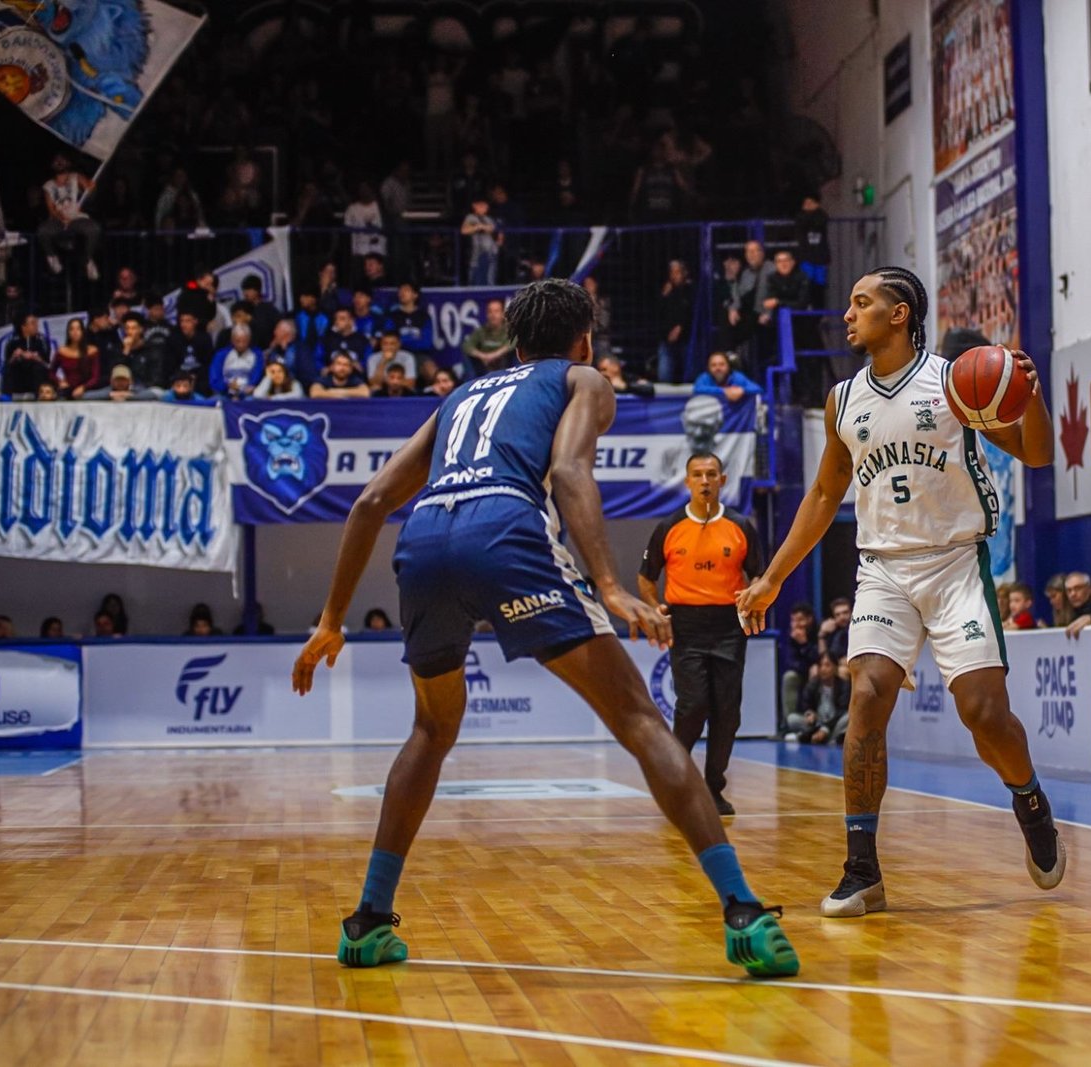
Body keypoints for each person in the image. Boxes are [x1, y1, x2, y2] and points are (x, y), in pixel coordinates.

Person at [291, 278, 797, 977]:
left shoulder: (462, 394)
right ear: (584, 339)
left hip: (425, 538)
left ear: (515, 344)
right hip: (505, 528)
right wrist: (611, 584)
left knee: (431, 730)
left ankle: (369, 920)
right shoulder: (582, 376)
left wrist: (330, 620)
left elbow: (373, 501)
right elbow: (566, 469)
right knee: (641, 721)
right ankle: (742, 907)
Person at [736, 266, 1066, 917]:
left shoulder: (954, 382)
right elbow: (827, 493)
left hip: (954, 563)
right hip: (883, 568)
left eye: (862, 302)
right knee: (866, 694)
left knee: (983, 713)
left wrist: (1028, 393)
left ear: (900, 314)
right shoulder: (840, 400)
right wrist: (772, 575)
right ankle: (862, 869)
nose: (848, 313)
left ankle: (1030, 799)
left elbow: (1037, 454)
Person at [637, 453, 763, 817]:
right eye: (697, 475)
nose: (705, 481)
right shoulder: (669, 526)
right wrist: (654, 606)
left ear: (722, 480)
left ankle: (713, 788)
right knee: (692, 707)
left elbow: (759, 574)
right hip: (685, 626)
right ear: (687, 481)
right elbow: (646, 578)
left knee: (727, 712)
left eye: (711, 474)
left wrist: (752, 595)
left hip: (728, 626)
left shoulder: (740, 526)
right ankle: (677, 783)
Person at [37, 154, 101, 281]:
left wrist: (92, 187)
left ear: (68, 163)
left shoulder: (76, 177)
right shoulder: (48, 186)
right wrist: (60, 217)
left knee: (94, 229)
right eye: (57, 161)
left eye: (62, 160)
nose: (59, 162)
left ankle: (88, 261)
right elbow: (50, 209)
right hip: (59, 220)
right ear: (52, 165)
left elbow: (90, 189)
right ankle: (52, 257)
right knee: (43, 231)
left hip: (77, 218)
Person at [789, 653, 851, 744]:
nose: (823, 669)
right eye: (820, 665)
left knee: (848, 717)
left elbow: (842, 711)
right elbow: (806, 705)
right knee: (792, 719)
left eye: (827, 665)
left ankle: (813, 737)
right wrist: (809, 713)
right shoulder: (813, 684)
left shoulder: (844, 685)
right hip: (817, 723)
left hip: (834, 724)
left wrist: (825, 729)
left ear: (836, 667)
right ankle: (819, 737)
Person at [779, 603, 819, 733]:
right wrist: (806, 666)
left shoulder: (819, 631)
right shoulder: (791, 636)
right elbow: (790, 662)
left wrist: (805, 644)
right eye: (794, 620)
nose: (797, 624)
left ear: (809, 619)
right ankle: (789, 724)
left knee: (817, 672)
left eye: (800, 620)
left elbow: (821, 657)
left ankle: (820, 723)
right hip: (803, 672)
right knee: (789, 677)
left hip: (821, 672)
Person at [462, 298, 516, 376]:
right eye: (490, 311)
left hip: (505, 365)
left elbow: (514, 342)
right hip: (485, 366)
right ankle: (471, 382)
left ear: (503, 313)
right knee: (467, 355)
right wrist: (483, 356)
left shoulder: (509, 330)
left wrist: (494, 355)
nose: (493, 315)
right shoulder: (481, 331)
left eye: (496, 311)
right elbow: (467, 345)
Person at [3, 314, 52, 397]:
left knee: (38, 369)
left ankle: (39, 396)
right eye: (33, 323)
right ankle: (8, 398)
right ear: (24, 327)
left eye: (36, 323)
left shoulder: (42, 341)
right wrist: (15, 356)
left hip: (36, 373)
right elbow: (8, 362)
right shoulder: (12, 342)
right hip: (19, 374)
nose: (36, 326)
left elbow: (47, 363)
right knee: (10, 369)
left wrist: (36, 357)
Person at [692, 352, 763, 405]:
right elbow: (697, 389)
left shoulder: (737, 376)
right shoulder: (705, 377)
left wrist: (742, 390)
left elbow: (757, 389)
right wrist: (724, 391)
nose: (718, 368)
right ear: (709, 368)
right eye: (713, 365)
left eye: (722, 364)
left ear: (728, 366)